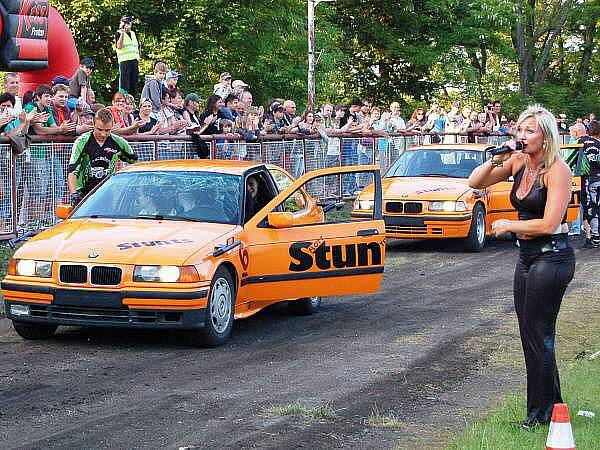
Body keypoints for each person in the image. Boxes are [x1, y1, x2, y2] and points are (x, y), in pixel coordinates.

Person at [468, 104, 575, 428]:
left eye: (529, 131)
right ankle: (553, 404)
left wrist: (509, 226)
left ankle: (539, 413)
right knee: (531, 332)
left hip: (552, 255)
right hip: (527, 257)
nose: (522, 136)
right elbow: (475, 182)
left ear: (545, 137)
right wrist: (494, 159)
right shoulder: (517, 161)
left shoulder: (557, 170)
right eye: (519, 131)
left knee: (538, 332)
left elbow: (549, 223)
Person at [67, 108, 138, 206]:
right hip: (84, 193)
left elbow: (136, 163)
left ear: (112, 126)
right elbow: (73, 170)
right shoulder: (82, 141)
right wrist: (74, 194)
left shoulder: (119, 142)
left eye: (107, 130)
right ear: (93, 124)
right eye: (99, 129)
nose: (103, 134)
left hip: (107, 192)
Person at [579, 120, 600, 248]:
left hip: (586, 180)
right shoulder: (598, 144)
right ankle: (595, 236)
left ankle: (592, 237)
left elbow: (572, 160)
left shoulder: (581, 143)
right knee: (596, 207)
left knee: (588, 208)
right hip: (597, 178)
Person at [115, 15, 140, 95]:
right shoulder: (119, 33)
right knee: (124, 85)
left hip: (134, 61)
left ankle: (132, 101)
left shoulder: (133, 33)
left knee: (134, 84)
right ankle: (123, 99)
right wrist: (122, 33)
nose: (127, 24)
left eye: (128, 22)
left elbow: (137, 47)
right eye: (125, 22)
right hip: (125, 62)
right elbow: (119, 46)